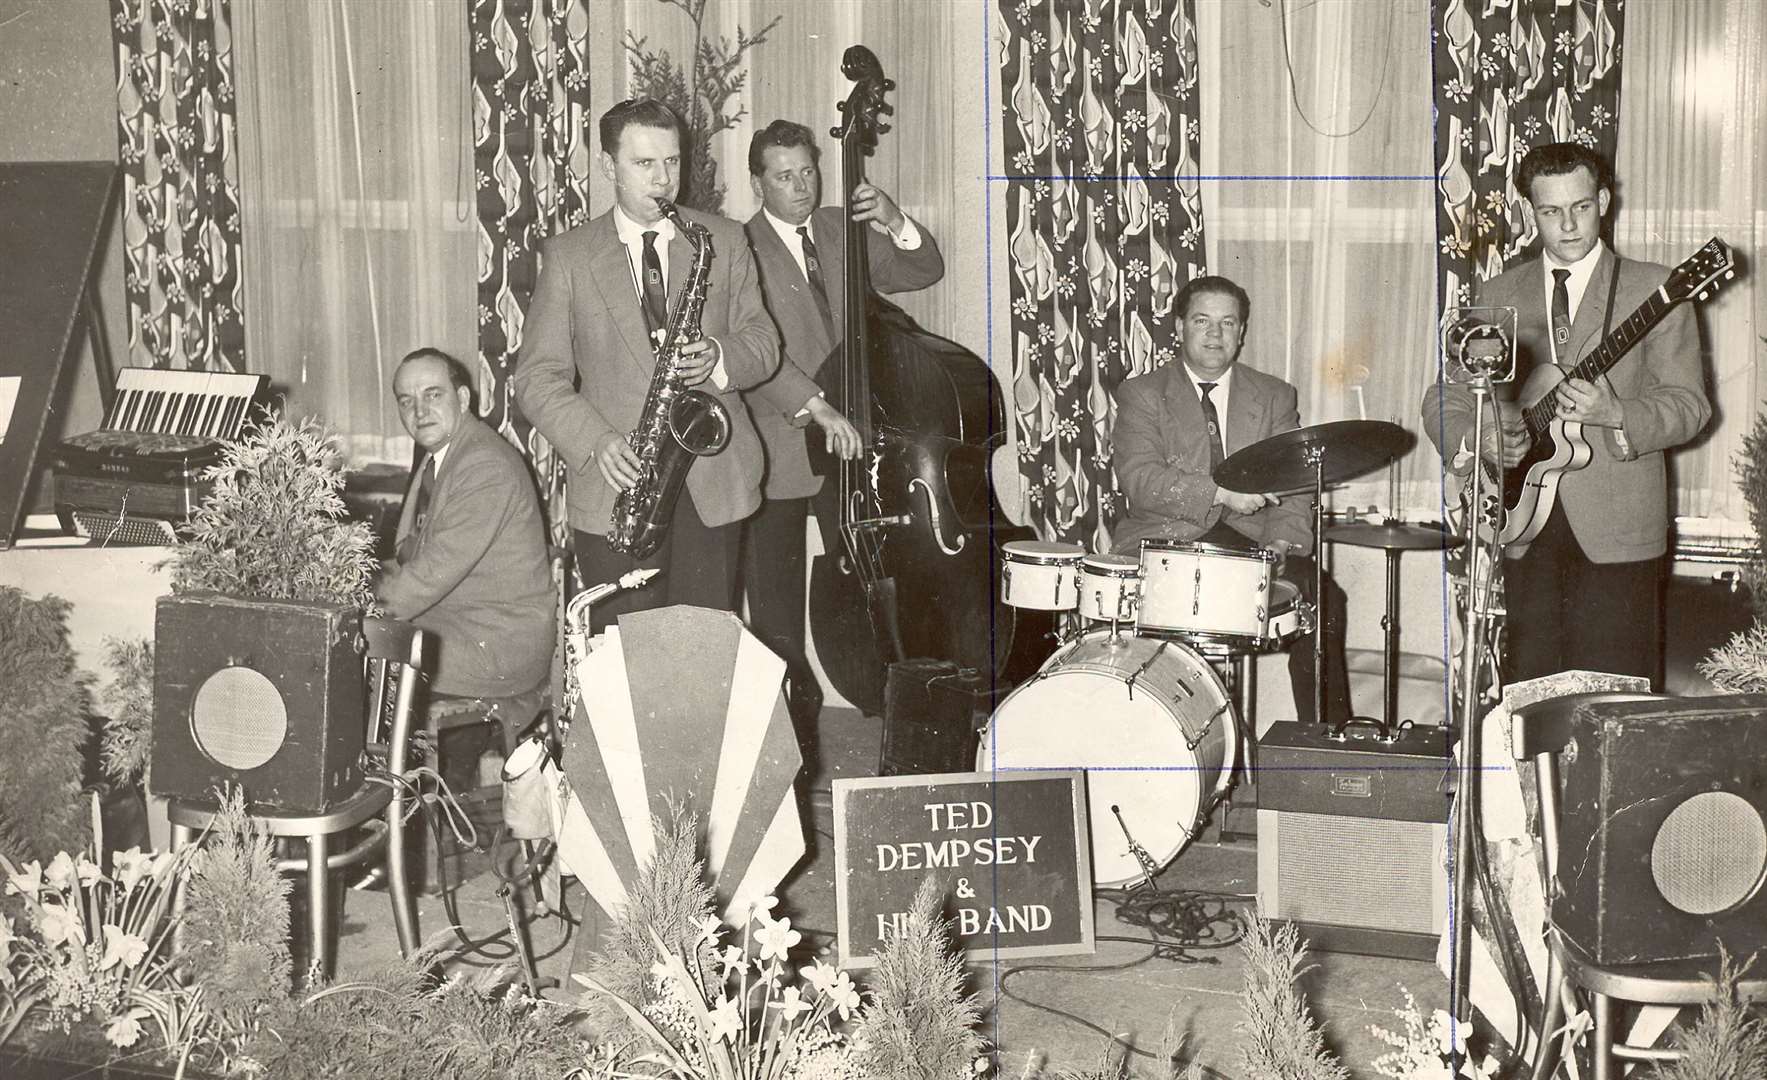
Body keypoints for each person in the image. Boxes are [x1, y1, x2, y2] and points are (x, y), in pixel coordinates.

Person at [1422, 142, 1709, 688]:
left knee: (1614, 705)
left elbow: (1690, 406)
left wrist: (1617, 411)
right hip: (1523, 525)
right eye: (1551, 212)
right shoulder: (1497, 293)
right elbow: (1445, 398)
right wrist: (1481, 436)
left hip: (1618, 530)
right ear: (1532, 213)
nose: (1568, 224)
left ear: (1603, 200)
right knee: (1532, 700)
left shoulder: (1657, 289)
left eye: (1580, 206)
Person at [513, 99, 779, 634]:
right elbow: (536, 378)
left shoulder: (722, 241)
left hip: (713, 483)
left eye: (673, 162)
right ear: (609, 167)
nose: (664, 181)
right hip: (620, 489)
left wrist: (720, 357)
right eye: (645, 165)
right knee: (630, 664)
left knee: (704, 660)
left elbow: (765, 341)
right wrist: (597, 439)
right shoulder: (569, 257)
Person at [738, 119, 945, 728]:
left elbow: (922, 270)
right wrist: (810, 406)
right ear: (758, 184)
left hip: (853, 446)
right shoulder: (738, 246)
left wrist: (892, 217)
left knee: (864, 582)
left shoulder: (838, 229)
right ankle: (785, 731)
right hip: (777, 443)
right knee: (775, 605)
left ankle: (879, 702)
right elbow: (753, 352)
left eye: (808, 171)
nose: (801, 187)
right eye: (784, 176)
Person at [1111, 275, 1353, 726]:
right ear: (1179, 327)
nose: (1215, 334)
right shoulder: (1142, 394)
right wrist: (1222, 494)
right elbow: (1139, 479)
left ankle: (1324, 745)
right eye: (1202, 321)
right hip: (1165, 542)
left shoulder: (1276, 395)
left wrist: (1282, 544)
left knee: (1325, 601)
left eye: (1228, 323)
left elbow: (1297, 485)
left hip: (1255, 543)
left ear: (1241, 333)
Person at [377, 348, 555, 743]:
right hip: (462, 621)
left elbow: (425, 578)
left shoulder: (483, 465)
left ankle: (403, 791)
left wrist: (357, 611)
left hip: (497, 643)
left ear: (462, 399)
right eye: (407, 401)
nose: (419, 410)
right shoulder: (439, 455)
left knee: (358, 658)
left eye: (433, 394)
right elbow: (409, 555)